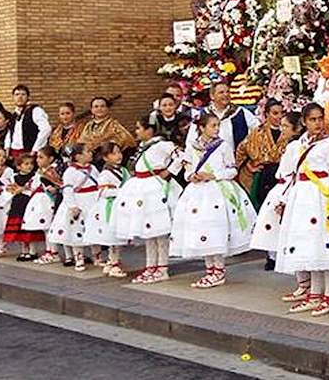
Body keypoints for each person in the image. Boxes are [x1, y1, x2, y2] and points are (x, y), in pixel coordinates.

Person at [276, 104, 329, 317]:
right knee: (311, 246)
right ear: (304, 121)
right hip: (302, 199)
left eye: (320, 119)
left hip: (322, 197)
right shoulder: (299, 143)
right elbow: (292, 174)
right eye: (312, 120)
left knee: (326, 245)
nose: (318, 123)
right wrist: (283, 198)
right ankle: (314, 294)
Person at [170, 113, 257, 288]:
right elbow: (187, 169)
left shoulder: (223, 146)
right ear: (201, 128)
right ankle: (209, 269)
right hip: (197, 193)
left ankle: (218, 270)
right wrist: (191, 176)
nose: (217, 129)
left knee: (215, 230)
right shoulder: (192, 147)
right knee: (201, 229)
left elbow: (232, 170)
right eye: (213, 126)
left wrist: (214, 175)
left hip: (217, 192)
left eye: (218, 125)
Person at [116, 116, 181, 284]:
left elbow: (181, 156)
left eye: (138, 128)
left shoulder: (162, 145)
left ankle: (162, 268)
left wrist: (169, 171)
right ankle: (150, 266)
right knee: (149, 232)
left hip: (156, 188)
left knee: (160, 231)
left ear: (149, 130)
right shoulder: (143, 147)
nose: (136, 132)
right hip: (142, 189)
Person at [250, 112, 308, 289]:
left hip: (289, 188)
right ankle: (302, 281)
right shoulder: (292, 145)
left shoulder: (295, 146)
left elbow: (291, 172)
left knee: (292, 235)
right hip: (284, 186)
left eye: (285, 126)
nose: (281, 129)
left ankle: (304, 282)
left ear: (296, 128)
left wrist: (284, 197)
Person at [235, 100, 289, 207]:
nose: (279, 117)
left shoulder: (289, 132)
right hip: (262, 176)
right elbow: (241, 150)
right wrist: (248, 167)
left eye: (281, 113)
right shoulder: (257, 132)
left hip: (282, 176)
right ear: (266, 114)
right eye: (275, 113)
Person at [88, 143, 129, 277]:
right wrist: (122, 191)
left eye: (119, 152)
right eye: (114, 153)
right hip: (110, 207)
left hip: (121, 206)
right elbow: (103, 191)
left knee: (118, 235)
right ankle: (114, 262)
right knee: (113, 235)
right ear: (106, 157)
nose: (119, 155)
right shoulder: (105, 173)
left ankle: (113, 261)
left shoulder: (124, 171)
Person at [53, 144, 97, 271]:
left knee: (93, 229)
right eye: (88, 151)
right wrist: (72, 206)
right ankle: (79, 258)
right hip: (79, 202)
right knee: (76, 232)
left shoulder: (93, 168)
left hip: (92, 201)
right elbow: (67, 190)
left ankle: (97, 257)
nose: (91, 153)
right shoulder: (70, 171)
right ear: (78, 156)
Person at [186, 82, 260, 152]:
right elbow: (191, 140)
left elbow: (258, 130)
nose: (226, 94)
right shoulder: (202, 114)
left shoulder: (241, 112)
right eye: (221, 92)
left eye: (227, 92)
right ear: (212, 96)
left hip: (236, 161)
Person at [23, 147, 63, 264]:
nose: (38, 160)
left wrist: (52, 188)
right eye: (37, 157)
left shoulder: (52, 171)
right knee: (45, 227)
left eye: (41, 157)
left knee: (49, 227)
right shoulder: (40, 171)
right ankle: (49, 251)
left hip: (48, 201)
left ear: (50, 158)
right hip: (39, 201)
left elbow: (58, 184)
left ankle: (53, 252)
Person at [3, 154, 42, 261]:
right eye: (26, 164)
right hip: (17, 204)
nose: (30, 166)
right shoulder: (14, 177)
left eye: (31, 164)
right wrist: (16, 189)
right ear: (19, 166)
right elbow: (10, 189)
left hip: (29, 203)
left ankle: (33, 251)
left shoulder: (35, 176)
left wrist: (23, 189)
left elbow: (33, 189)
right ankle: (24, 250)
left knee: (30, 227)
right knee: (19, 228)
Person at [8, 85, 51, 159]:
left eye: (23, 94)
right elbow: (9, 133)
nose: (20, 97)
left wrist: (35, 149)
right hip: (14, 153)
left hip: (29, 152)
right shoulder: (14, 115)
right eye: (17, 94)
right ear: (13, 97)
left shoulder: (35, 111)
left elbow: (46, 129)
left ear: (28, 97)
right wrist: (7, 149)